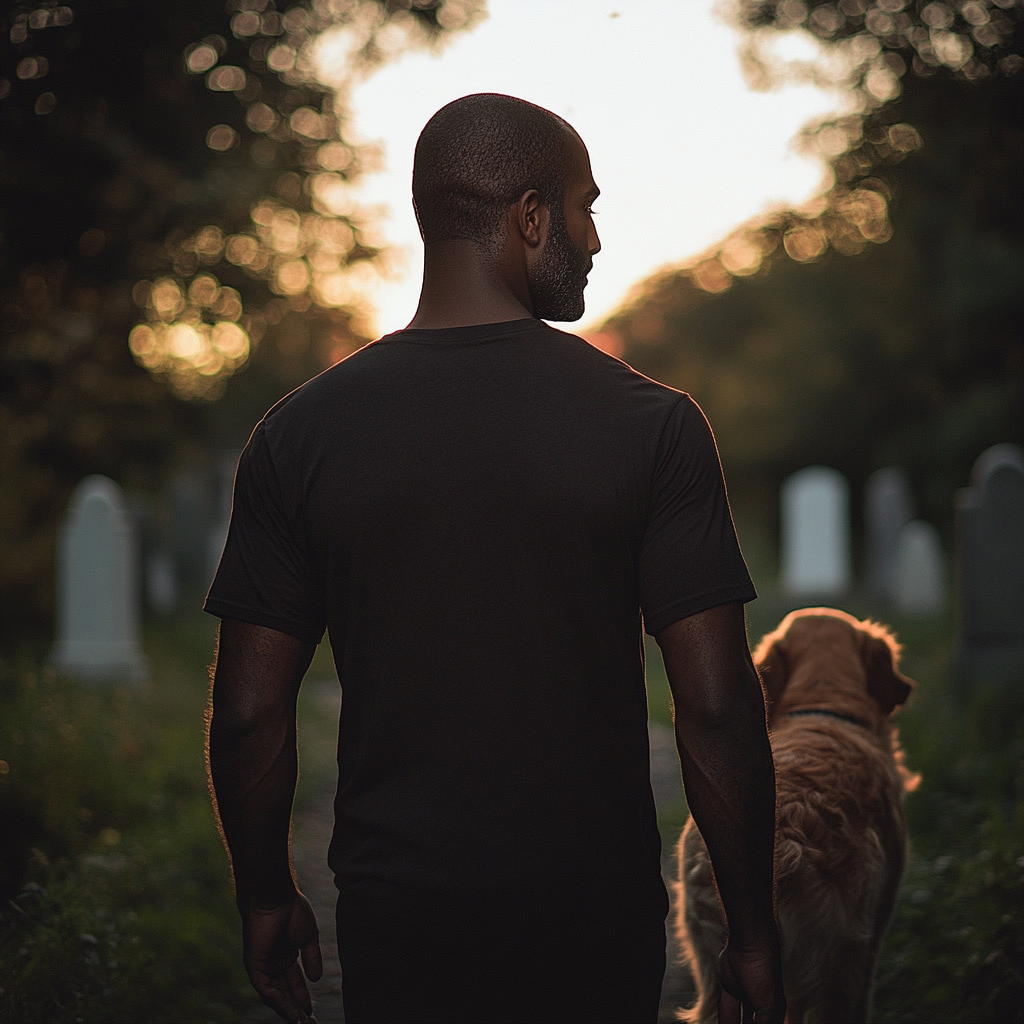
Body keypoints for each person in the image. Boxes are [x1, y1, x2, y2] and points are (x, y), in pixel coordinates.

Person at [206, 93, 784, 1024]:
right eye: (585, 206)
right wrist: (753, 937)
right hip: (593, 914)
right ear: (529, 216)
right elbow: (715, 708)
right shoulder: (654, 426)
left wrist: (266, 894)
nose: (594, 238)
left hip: (401, 916)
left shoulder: (298, 435)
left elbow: (245, 714)